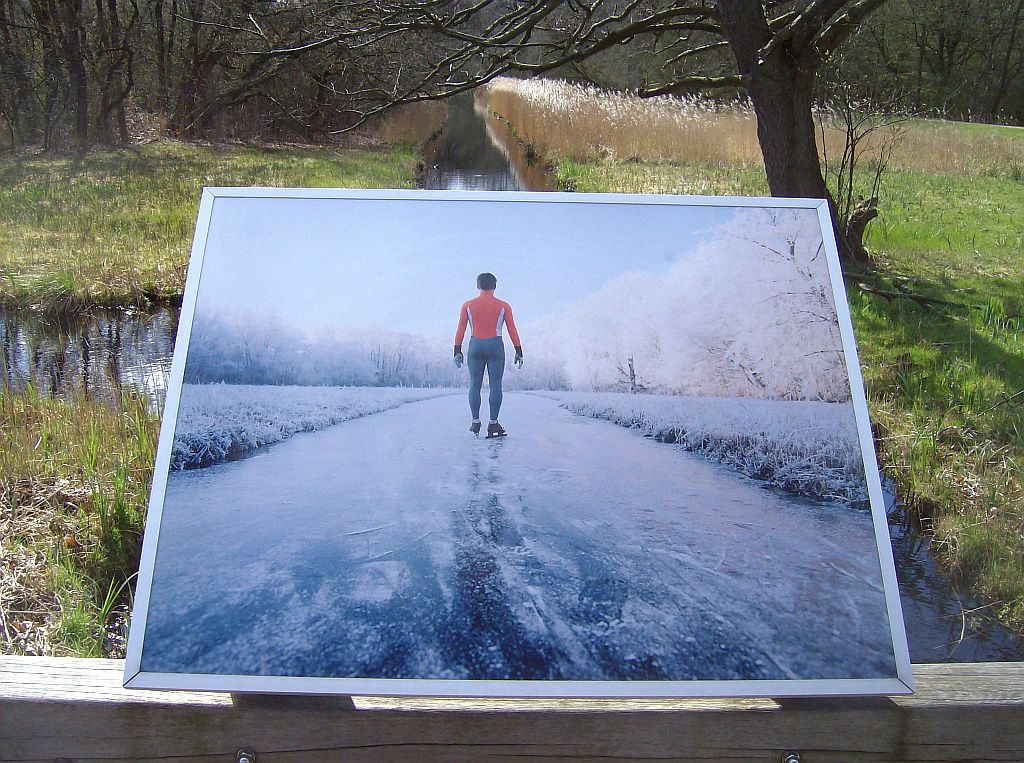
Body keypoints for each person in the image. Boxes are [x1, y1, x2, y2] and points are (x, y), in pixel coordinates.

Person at [454, 272, 523, 438]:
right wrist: (518, 349)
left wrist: (457, 350)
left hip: (475, 345)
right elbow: (512, 328)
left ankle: (475, 421)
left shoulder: (467, 305)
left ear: (477, 286)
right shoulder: (504, 306)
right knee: (495, 385)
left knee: (475, 384)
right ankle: (493, 424)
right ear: (495, 286)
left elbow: (461, 328)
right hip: (495, 345)